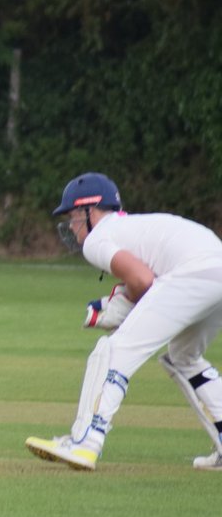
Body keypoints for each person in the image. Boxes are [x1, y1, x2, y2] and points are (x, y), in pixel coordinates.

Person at [25, 172, 222, 471]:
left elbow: (143, 280)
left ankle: (85, 441)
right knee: (184, 356)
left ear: (88, 211)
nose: (72, 226)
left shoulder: (98, 239)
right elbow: (147, 279)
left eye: (73, 217)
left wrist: (123, 305)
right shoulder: (131, 226)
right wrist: (125, 300)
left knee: (115, 351)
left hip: (192, 273)